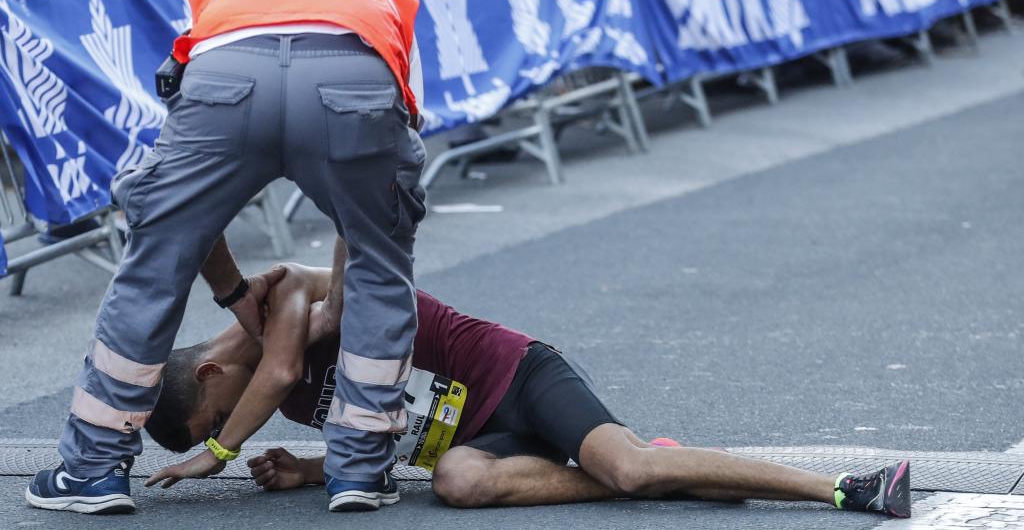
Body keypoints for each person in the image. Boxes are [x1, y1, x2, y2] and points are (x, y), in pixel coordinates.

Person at [27, 0, 426, 515]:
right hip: (355, 68)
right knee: (382, 269)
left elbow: (190, 220)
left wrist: (235, 295)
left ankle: (91, 470)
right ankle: (360, 471)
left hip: (228, 68)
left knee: (152, 268)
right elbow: (405, 125)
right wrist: (369, 233)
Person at [143, 261, 912, 519]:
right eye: (226, 427)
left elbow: (283, 360)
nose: (238, 426)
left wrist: (218, 449)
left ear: (214, 375)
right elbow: (392, 431)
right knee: (457, 481)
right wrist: (315, 470)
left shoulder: (292, 296)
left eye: (223, 416)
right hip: (480, 439)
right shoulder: (272, 393)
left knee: (634, 467)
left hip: (518, 375)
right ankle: (646, 471)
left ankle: (845, 488)